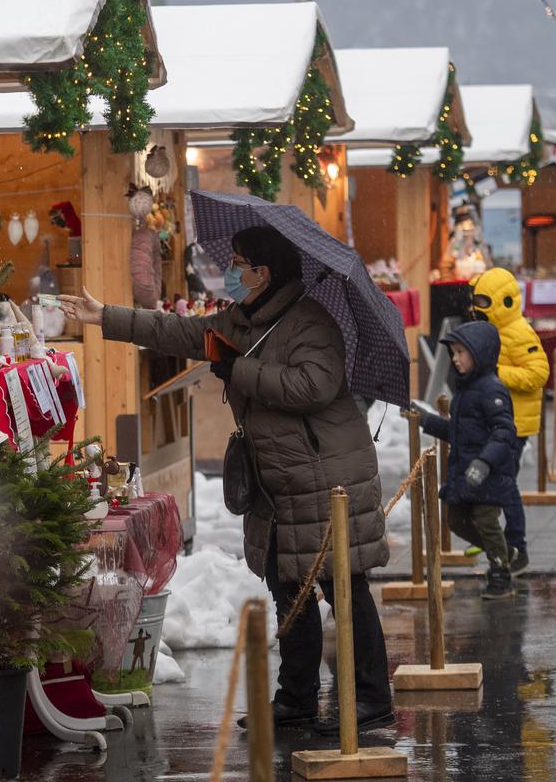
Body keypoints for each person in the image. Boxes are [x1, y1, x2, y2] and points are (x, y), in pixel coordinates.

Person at [60, 226, 394, 733]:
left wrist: (241, 370)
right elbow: (183, 334)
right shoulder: (245, 319)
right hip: (278, 480)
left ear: (263, 273)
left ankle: (372, 701)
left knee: (343, 587)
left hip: (325, 477)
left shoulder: (310, 321)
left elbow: (314, 385)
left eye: (240, 264)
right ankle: (296, 699)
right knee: (289, 589)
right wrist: (105, 316)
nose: (232, 272)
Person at [420, 321, 519, 599]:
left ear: (479, 353)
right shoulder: (465, 389)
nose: (455, 359)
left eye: (461, 352)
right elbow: (458, 431)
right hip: (465, 471)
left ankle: (501, 575)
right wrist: (427, 421)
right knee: (456, 520)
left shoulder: (491, 389)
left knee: (486, 521)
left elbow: (504, 431)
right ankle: (503, 551)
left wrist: (484, 462)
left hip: (489, 473)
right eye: (453, 353)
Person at [469, 267, 548, 575]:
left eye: (484, 303)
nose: (477, 310)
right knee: (499, 484)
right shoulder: (492, 331)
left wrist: (498, 373)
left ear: (502, 302)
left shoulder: (519, 333)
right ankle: (498, 539)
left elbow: (538, 373)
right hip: (499, 421)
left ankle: (516, 546)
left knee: (504, 486)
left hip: (515, 424)